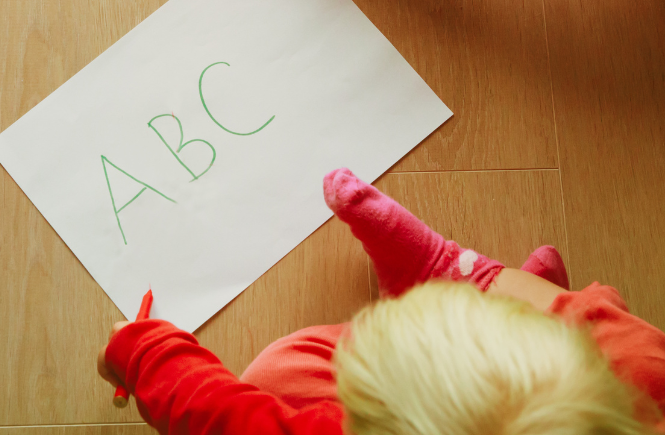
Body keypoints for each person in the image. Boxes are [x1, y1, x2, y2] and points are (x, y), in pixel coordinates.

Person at [98, 170, 665, 435]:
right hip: (622, 387)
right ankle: (462, 278)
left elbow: (224, 419)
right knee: (613, 342)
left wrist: (146, 353)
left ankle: (449, 284)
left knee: (279, 371)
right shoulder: (640, 391)